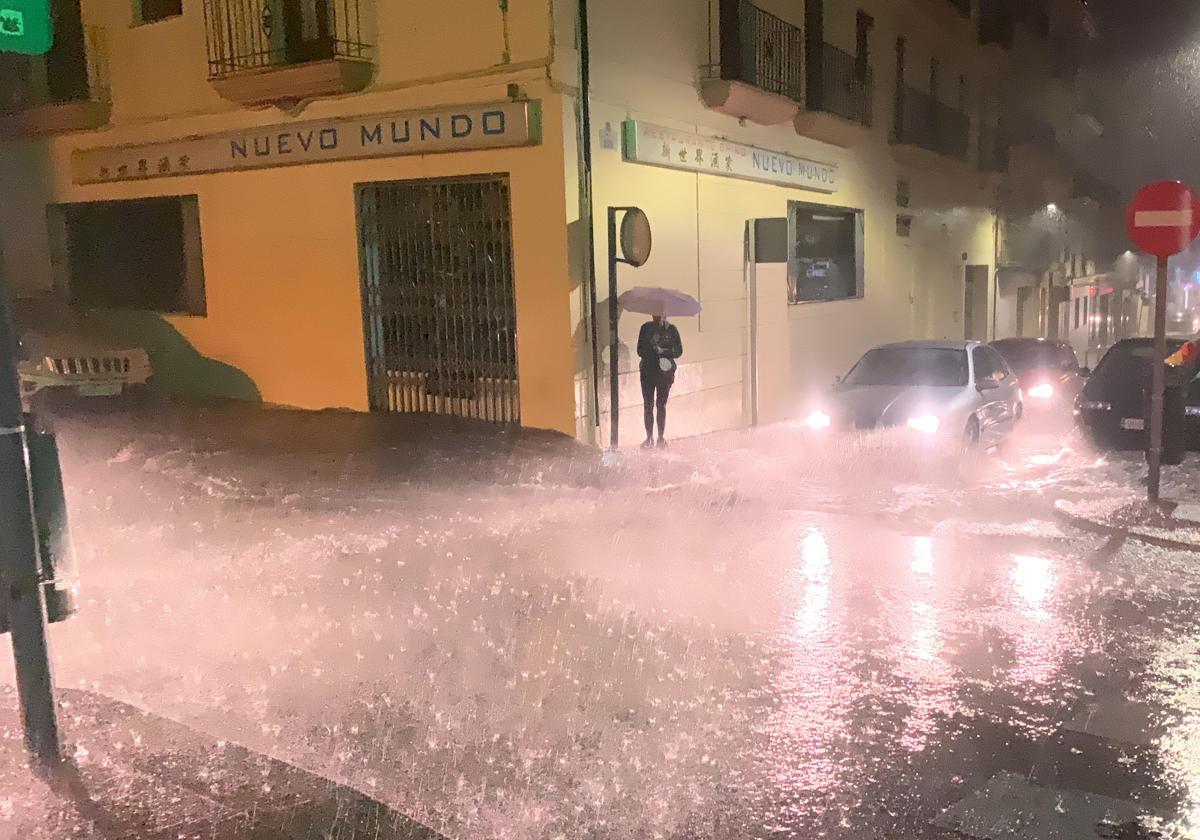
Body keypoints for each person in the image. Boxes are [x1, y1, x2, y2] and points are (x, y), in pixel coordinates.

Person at [636, 312, 683, 448]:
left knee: (661, 405)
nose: (657, 317)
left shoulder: (671, 330)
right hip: (648, 371)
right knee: (648, 404)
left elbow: (678, 351)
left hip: (664, 373)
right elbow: (639, 350)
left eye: (660, 314)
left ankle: (660, 437)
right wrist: (651, 348)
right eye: (655, 313)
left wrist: (663, 351)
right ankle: (649, 437)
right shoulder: (645, 328)